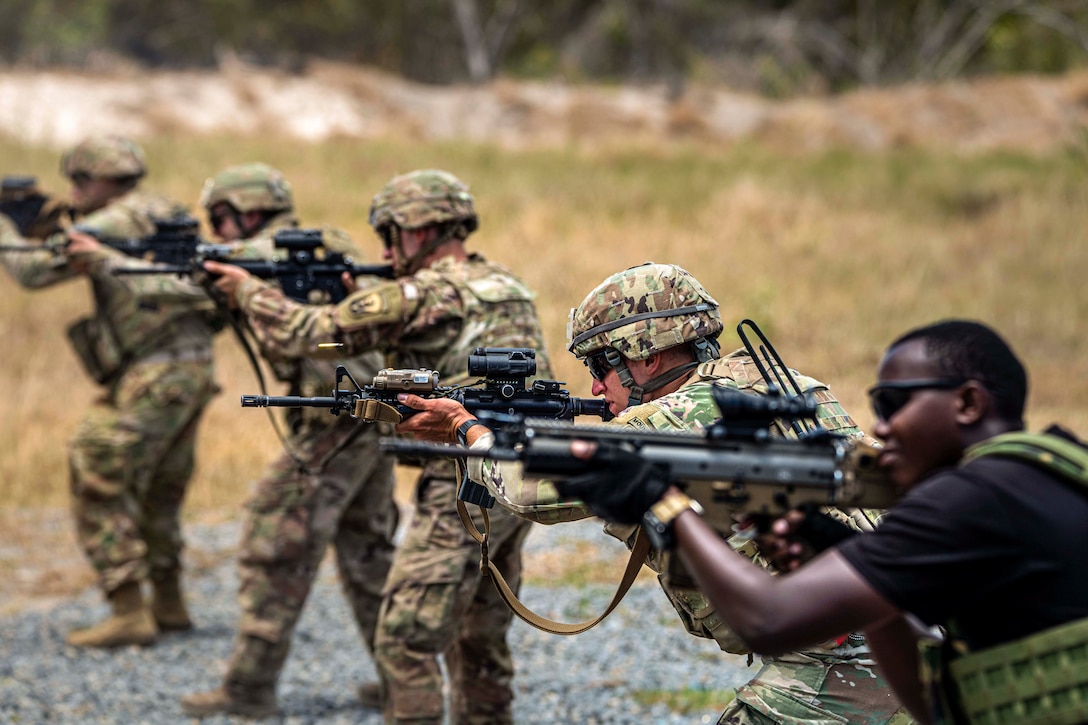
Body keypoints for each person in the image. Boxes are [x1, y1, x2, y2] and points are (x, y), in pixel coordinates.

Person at [395, 262, 910, 724]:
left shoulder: (672, 415)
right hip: (902, 624)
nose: (596, 388)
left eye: (600, 367)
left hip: (844, 658)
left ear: (644, 359)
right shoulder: (783, 383)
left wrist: (467, 431)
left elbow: (529, 492)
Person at [565, 319, 1088, 725]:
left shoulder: (971, 500)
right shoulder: (1051, 475)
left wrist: (666, 505)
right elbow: (937, 706)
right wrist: (849, 559)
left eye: (894, 403)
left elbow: (768, 622)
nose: (880, 426)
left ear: (969, 403)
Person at [202, 169, 550, 725]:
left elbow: (313, 335)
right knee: (477, 639)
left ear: (420, 230)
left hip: (465, 478)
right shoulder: (504, 284)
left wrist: (247, 292)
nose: (387, 251)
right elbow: (396, 341)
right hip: (517, 470)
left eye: (391, 236)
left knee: (404, 638)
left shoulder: (421, 291)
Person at [176, 164, 400, 718]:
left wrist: (233, 278)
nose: (220, 230)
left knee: (273, 543)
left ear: (245, 213)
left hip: (338, 420)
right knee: (369, 554)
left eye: (221, 219)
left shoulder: (287, 254)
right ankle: (406, 682)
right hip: (365, 414)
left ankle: (249, 689)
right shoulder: (297, 254)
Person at [0, 134, 219, 647]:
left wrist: (6, 226)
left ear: (101, 180)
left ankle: (127, 608)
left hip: (155, 370)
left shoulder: (110, 223)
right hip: (188, 368)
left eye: (79, 181)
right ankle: (168, 603)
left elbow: (32, 271)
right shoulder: (156, 208)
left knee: (96, 466)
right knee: (161, 488)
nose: (73, 191)